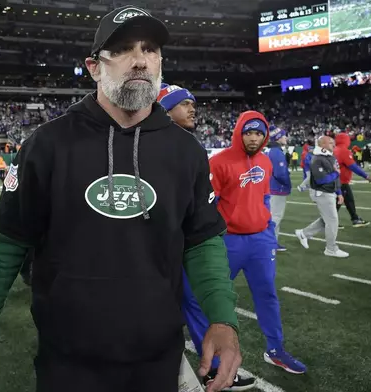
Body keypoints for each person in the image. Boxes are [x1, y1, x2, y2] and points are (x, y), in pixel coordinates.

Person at [0, 6, 242, 392]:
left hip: (157, 356)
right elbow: (7, 242)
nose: (140, 60)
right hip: (69, 358)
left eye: (150, 49)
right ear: (94, 67)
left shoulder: (185, 151)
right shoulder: (48, 145)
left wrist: (223, 319)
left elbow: (202, 242)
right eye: (124, 49)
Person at [158, 84, 256, 390]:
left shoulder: (190, 148)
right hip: (156, 255)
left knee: (194, 305)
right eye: (183, 103)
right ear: (164, 109)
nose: (192, 108)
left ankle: (210, 367)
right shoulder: (144, 148)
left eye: (192, 103)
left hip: (189, 246)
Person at [209, 110, 307, 375]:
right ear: (239, 132)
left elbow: (264, 199)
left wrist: (269, 231)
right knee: (212, 298)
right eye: (249, 132)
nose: (253, 138)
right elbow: (209, 204)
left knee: (267, 295)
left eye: (259, 133)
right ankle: (209, 354)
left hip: (261, 241)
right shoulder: (219, 162)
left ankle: (275, 350)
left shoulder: (265, 161)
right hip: (229, 241)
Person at [295, 136, 350, 258]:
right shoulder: (317, 159)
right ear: (322, 144)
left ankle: (304, 233)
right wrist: (336, 173)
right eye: (330, 143)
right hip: (322, 192)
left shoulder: (329, 156)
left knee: (327, 219)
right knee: (332, 221)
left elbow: (335, 177)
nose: (333, 145)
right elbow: (321, 180)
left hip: (330, 192)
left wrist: (339, 192)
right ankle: (331, 249)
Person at [333, 132, 371, 228]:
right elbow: (353, 166)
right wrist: (365, 175)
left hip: (335, 180)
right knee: (340, 202)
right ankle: (329, 221)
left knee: (346, 200)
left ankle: (355, 218)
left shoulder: (334, 150)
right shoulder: (344, 151)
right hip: (341, 181)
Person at [264, 127, 291, 252]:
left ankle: (272, 242)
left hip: (271, 187)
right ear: (278, 137)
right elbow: (281, 174)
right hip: (277, 189)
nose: (286, 138)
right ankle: (270, 244)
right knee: (275, 217)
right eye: (284, 136)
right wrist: (287, 185)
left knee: (274, 217)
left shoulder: (272, 150)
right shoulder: (276, 152)